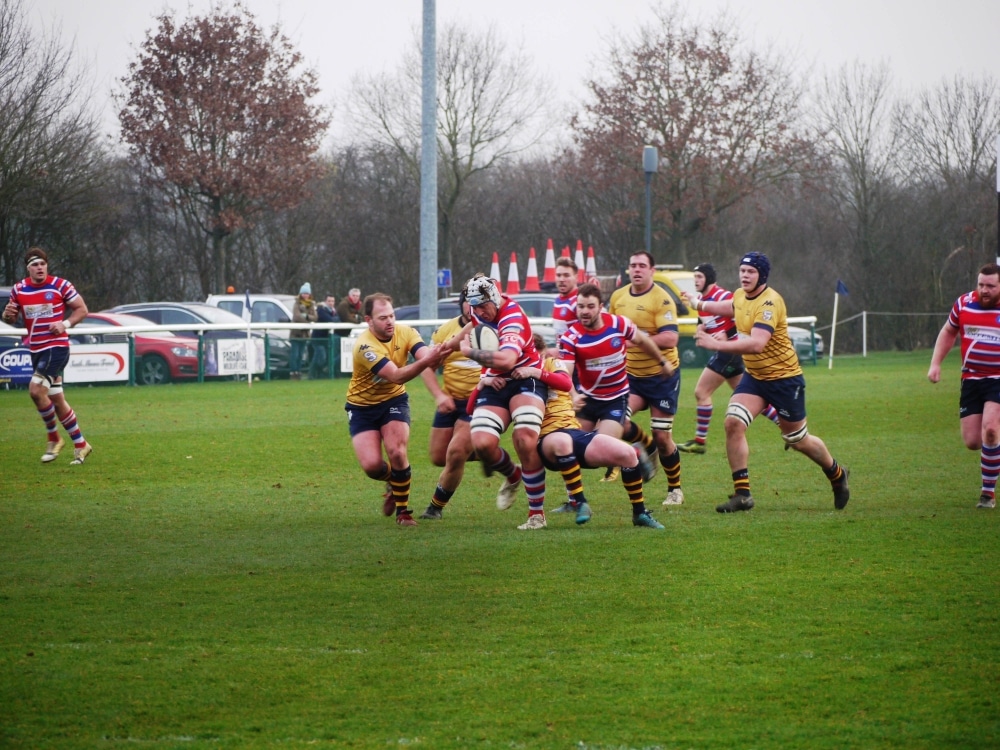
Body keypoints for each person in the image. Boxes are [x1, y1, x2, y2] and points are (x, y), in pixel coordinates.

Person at [693, 252, 850, 512]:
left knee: (797, 440)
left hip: (785, 380)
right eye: (742, 271)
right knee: (733, 422)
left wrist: (716, 343)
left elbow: (756, 344)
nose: (744, 276)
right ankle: (742, 494)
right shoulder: (741, 296)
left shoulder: (770, 303)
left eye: (750, 272)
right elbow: (731, 307)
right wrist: (699, 304)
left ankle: (836, 474)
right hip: (755, 379)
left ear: (762, 275)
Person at [512, 333, 664, 529]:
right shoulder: (514, 375)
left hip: (573, 431)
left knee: (626, 454)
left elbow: (565, 382)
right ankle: (580, 502)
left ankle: (640, 514)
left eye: (538, 356)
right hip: (545, 439)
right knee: (562, 442)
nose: (537, 361)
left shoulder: (550, 364)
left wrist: (536, 372)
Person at [448, 274, 548, 529]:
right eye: (475, 306)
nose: (480, 311)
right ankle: (514, 475)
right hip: (495, 381)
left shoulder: (512, 318)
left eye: (484, 306)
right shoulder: (478, 309)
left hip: (525, 377)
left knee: (524, 439)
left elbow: (506, 361)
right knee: (481, 444)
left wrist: (469, 352)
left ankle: (536, 514)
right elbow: (473, 324)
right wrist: (449, 345)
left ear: (495, 298)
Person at [344, 293, 444, 526]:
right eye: (382, 318)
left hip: (393, 402)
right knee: (371, 467)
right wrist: (429, 361)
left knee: (397, 452)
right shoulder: (365, 346)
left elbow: (424, 355)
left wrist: (437, 355)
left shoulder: (406, 331)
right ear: (369, 320)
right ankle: (395, 479)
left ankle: (403, 512)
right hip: (362, 408)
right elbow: (397, 375)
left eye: (391, 315)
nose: (389, 321)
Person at [1, 247, 93, 465]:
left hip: (57, 348)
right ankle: (81, 444)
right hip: (36, 350)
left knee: (35, 391)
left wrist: (65, 323)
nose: (39, 267)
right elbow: (11, 317)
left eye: (42, 263)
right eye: (35, 264)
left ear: (46, 266)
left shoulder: (60, 285)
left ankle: (54, 439)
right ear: (28, 268)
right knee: (57, 400)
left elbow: (82, 309)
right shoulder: (19, 289)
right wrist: (6, 314)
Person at [608, 251, 685, 507]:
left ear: (652, 270)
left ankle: (675, 489)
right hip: (631, 376)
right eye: (633, 266)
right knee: (617, 422)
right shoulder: (618, 297)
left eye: (642, 266)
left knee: (663, 437)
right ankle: (645, 445)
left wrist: (636, 338)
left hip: (662, 376)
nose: (637, 270)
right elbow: (609, 329)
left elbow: (670, 338)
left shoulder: (662, 299)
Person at [677, 263, 780, 453]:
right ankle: (786, 425)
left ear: (708, 278)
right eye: (695, 277)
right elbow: (705, 321)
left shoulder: (723, 296)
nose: (696, 281)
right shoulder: (701, 300)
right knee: (752, 398)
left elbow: (742, 317)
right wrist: (700, 329)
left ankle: (700, 441)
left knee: (701, 392)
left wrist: (726, 333)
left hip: (730, 351)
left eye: (699, 277)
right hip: (730, 353)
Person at [928, 262, 1000, 509]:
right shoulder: (964, 304)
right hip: (971, 379)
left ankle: (987, 493)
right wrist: (935, 363)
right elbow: (948, 332)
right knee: (972, 441)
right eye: (981, 284)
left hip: (998, 379)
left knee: (990, 429)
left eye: (990, 286)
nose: (984, 290)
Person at [418, 289, 480, 519]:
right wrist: (439, 396)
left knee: (455, 453)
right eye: (469, 302)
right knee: (438, 457)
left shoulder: (492, 329)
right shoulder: (446, 330)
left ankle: (435, 508)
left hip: (479, 402)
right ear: (462, 304)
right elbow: (427, 367)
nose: (473, 307)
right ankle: (490, 452)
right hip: (450, 402)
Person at [290, 283, 317, 380]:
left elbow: (315, 317)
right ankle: (293, 372)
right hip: (296, 333)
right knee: (295, 354)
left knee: (301, 354)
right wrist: (308, 320)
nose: (305, 295)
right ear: (301, 294)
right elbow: (297, 316)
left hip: (305, 334)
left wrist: (307, 317)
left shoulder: (311, 304)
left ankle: (299, 372)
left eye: (307, 293)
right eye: (304, 293)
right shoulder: (296, 303)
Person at [309, 294, 338, 380]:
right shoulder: (321, 310)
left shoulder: (333, 311)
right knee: (320, 357)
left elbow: (336, 319)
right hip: (318, 339)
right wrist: (335, 319)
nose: (331, 303)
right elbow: (330, 320)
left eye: (332, 301)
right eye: (329, 301)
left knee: (324, 358)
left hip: (326, 339)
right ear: (325, 301)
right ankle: (311, 375)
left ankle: (318, 375)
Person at [551, 257, 580, 339]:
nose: (561, 279)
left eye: (566, 275)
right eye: (558, 275)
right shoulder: (557, 300)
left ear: (576, 277)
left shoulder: (579, 301)